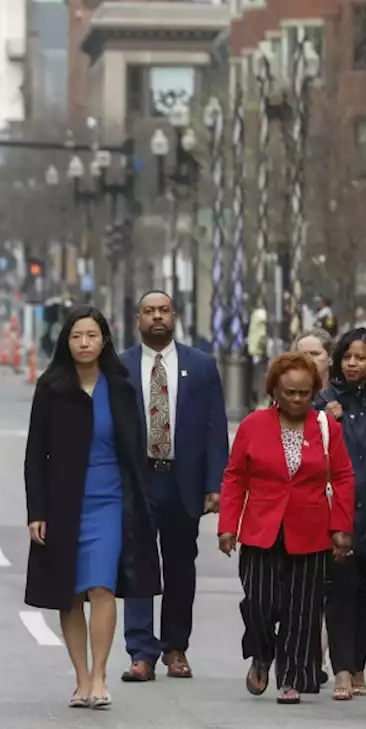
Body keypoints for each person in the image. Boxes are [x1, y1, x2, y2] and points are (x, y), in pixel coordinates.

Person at [24, 305, 160, 708]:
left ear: (104, 341)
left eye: (92, 336)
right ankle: (81, 679)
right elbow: (35, 455)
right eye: (76, 336)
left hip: (111, 500)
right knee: (69, 594)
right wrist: (37, 512)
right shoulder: (51, 387)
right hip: (64, 503)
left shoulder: (120, 386)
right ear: (66, 342)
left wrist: (142, 504)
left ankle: (100, 676)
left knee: (102, 586)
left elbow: (136, 450)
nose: (84, 343)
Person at [219, 352, 355, 704]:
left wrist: (342, 527)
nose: (297, 400)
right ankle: (262, 653)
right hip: (261, 529)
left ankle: (291, 677)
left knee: (303, 609)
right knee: (260, 603)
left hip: (310, 530)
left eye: (304, 393)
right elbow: (235, 477)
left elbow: (342, 477)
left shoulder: (327, 428)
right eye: (289, 392)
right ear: (274, 391)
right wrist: (228, 525)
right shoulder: (253, 425)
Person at [116, 291, 228, 683]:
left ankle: (175, 648)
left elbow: (216, 428)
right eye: (149, 311)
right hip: (138, 479)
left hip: (183, 480)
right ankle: (140, 652)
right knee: (138, 564)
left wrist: (216, 482)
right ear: (138, 319)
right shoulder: (119, 367)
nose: (157, 317)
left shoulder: (201, 366)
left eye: (164, 311)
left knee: (181, 566)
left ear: (174, 316)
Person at [316, 328, 366, 701]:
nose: (352, 364)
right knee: (339, 590)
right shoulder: (325, 400)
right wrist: (328, 419)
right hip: (337, 511)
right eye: (347, 357)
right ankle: (342, 669)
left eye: (360, 357)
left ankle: (360, 665)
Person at [292, 329, 334, 393]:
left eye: (315, 353)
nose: (308, 359)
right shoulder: (285, 397)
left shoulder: (345, 398)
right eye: (302, 354)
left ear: (330, 357)